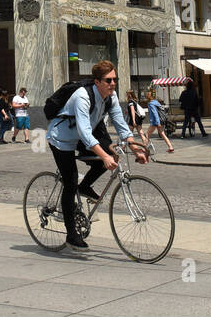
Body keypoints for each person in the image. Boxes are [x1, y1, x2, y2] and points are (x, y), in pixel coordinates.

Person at [45, 61, 147, 249]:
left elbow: (121, 125)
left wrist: (136, 150)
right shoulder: (82, 95)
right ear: (97, 81)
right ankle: (71, 235)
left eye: (115, 79)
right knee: (70, 181)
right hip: (62, 139)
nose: (113, 83)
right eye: (108, 80)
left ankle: (84, 187)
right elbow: (84, 131)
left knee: (110, 155)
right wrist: (105, 156)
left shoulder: (111, 96)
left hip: (83, 137)